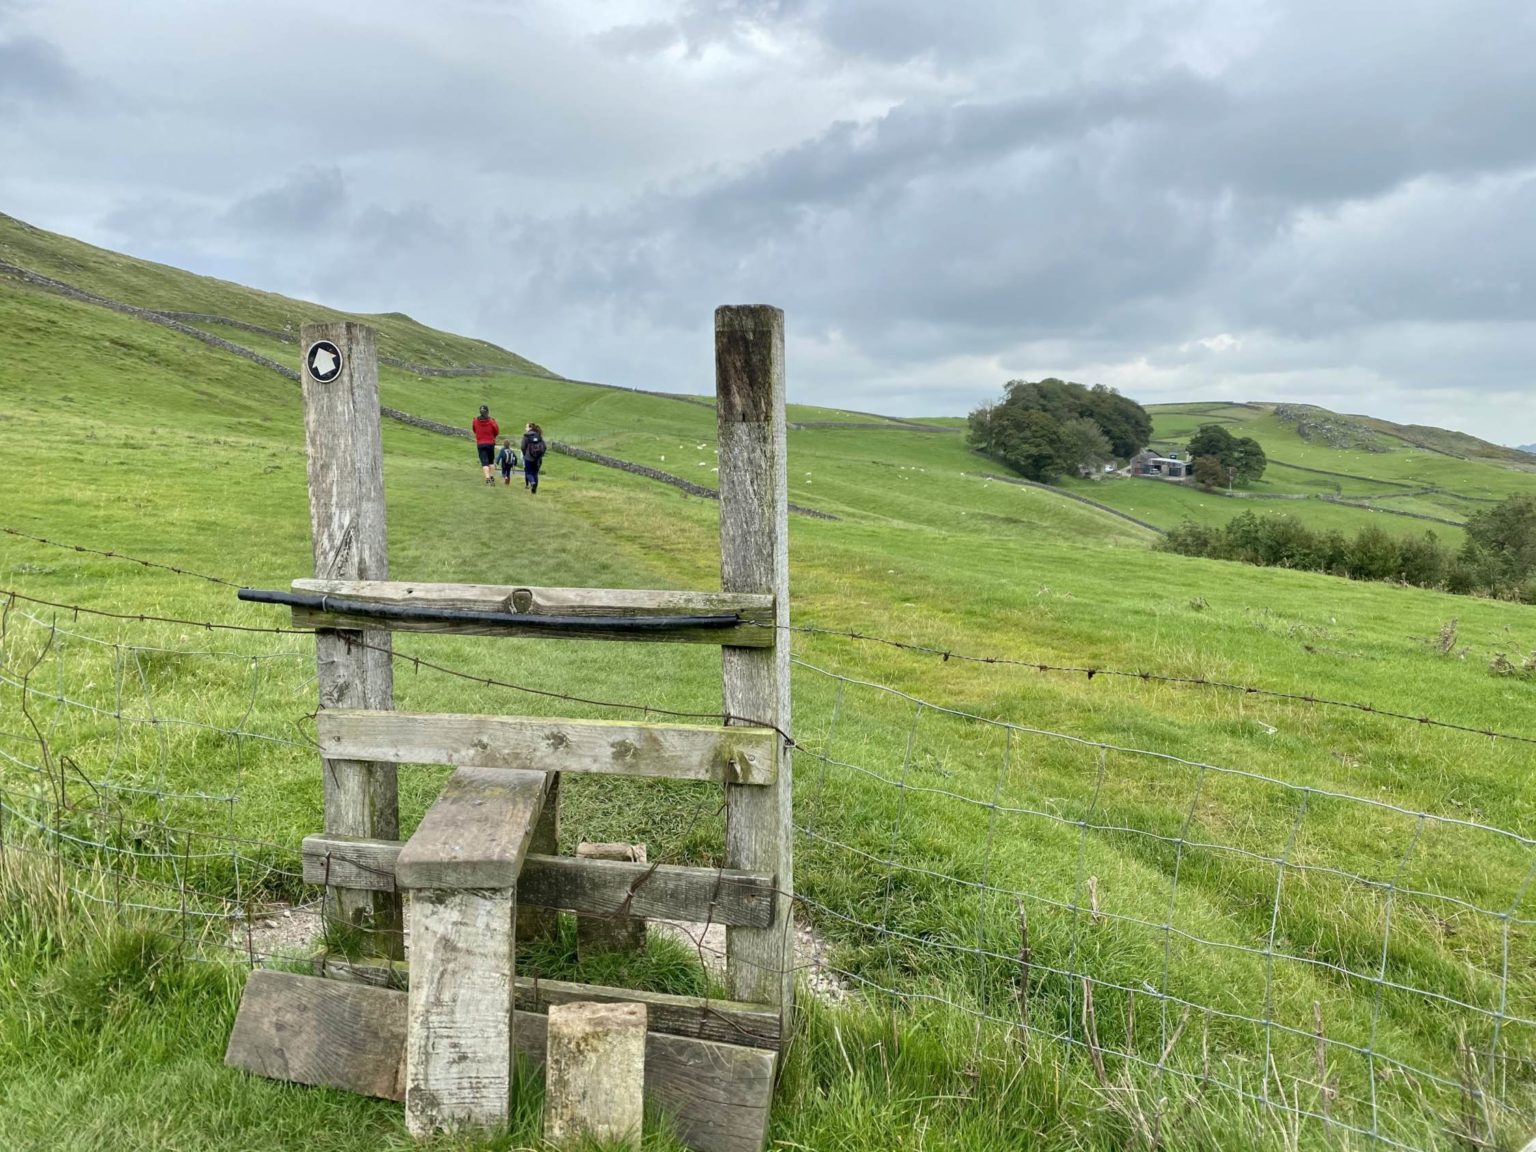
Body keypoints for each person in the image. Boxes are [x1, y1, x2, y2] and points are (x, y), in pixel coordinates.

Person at [472, 404, 499, 485]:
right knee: (491, 462)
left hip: (480, 443)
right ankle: (492, 477)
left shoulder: (475, 421)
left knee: (484, 462)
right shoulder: (492, 421)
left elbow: (474, 429)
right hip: (490, 443)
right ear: (487, 412)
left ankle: (487, 478)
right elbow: (496, 431)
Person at [520, 422, 547, 494]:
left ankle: (532, 482)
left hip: (528, 458)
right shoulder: (539, 435)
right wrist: (541, 455)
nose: (525, 429)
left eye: (526, 427)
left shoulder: (526, 436)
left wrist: (525, 454)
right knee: (535, 474)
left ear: (530, 428)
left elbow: (522, 447)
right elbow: (544, 447)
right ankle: (534, 491)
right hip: (537, 459)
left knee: (528, 472)